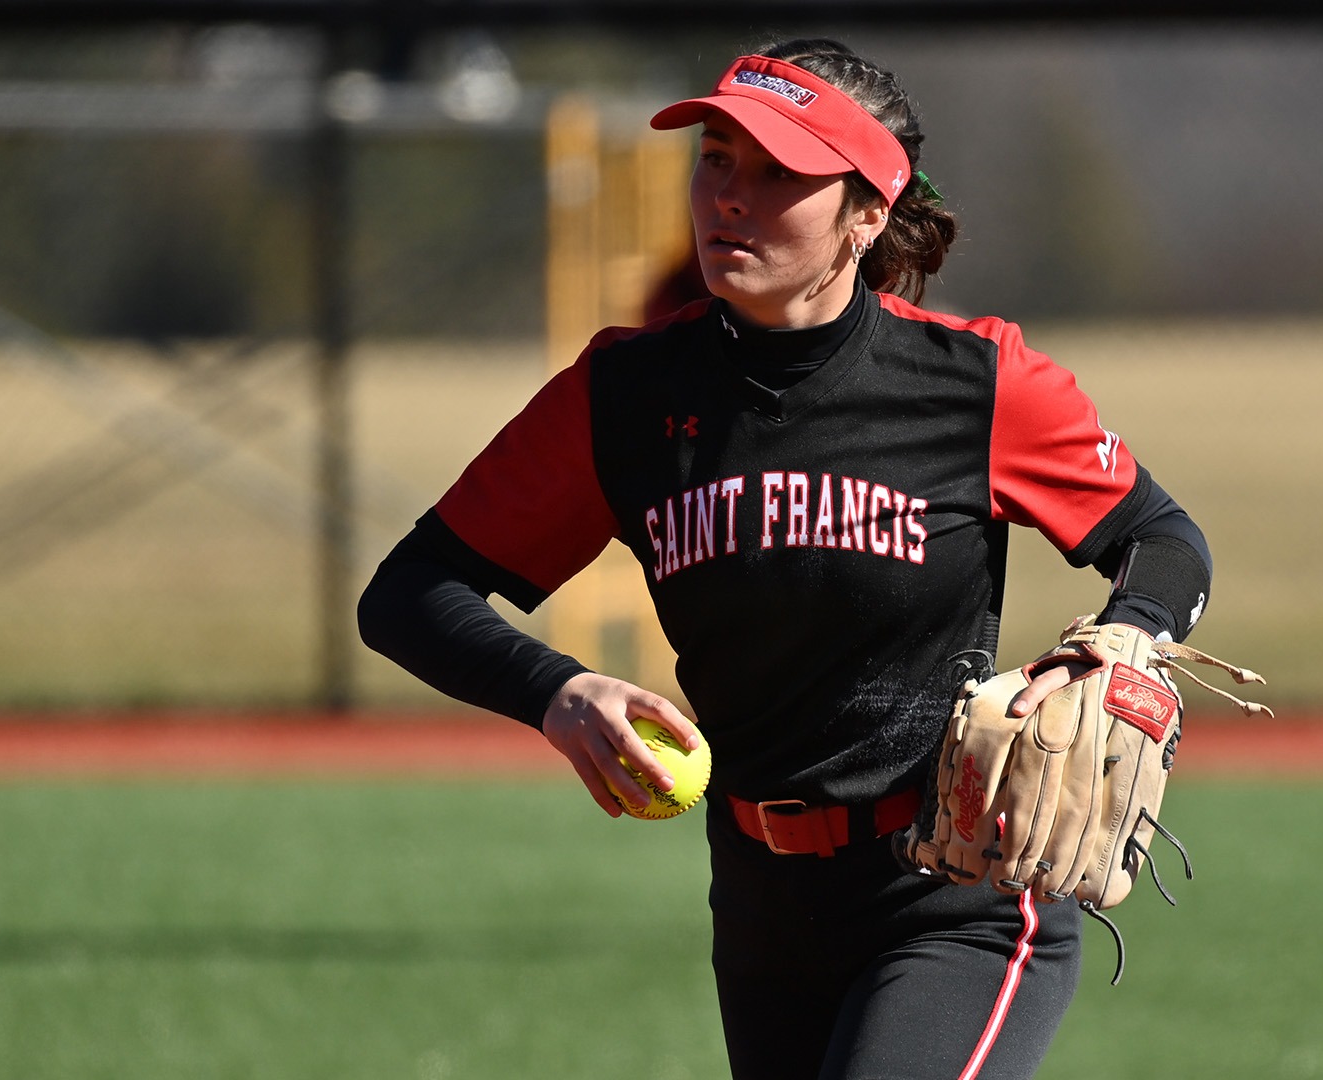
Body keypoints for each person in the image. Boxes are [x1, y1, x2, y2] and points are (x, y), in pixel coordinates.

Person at [359, 37, 1215, 1080]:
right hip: (763, 905)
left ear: (866, 213)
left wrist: (1126, 633)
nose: (730, 196)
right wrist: (558, 690)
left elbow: (1163, 541)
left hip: (958, 893)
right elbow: (408, 593)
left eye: (779, 174)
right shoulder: (623, 398)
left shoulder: (974, 384)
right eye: (716, 158)